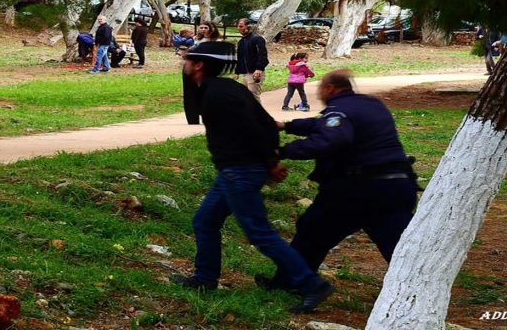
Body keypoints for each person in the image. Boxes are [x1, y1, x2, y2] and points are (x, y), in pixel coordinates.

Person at [176, 41, 334, 313]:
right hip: (233, 171)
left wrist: (271, 161)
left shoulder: (217, 95)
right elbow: (266, 122)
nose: (184, 64)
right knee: (205, 221)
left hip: (242, 171)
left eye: (188, 59)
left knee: (259, 232)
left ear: (199, 65)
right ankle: (205, 279)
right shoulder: (226, 89)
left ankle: (312, 284)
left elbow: (254, 129)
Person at [258, 69, 419, 293]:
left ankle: (289, 282)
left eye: (321, 88)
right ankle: (416, 289)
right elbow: (321, 124)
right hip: (396, 186)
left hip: (356, 189)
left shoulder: (338, 110)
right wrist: (288, 126)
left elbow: (330, 139)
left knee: (312, 231)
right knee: (398, 244)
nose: (320, 93)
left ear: (330, 89)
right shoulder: (371, 104)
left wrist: (282, 152)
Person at [183, 21, 224, 124]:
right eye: (201, 28)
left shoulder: (217, 41)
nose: (203, 30)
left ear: (211, 28)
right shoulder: (195, 40)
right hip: (192, 68)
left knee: (207, 92)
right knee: (190, 93)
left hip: (207, 68)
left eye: (206, 27)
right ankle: (192, 119)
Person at [235, 18, 269, 101]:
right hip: (246, 74)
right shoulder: (241, 42)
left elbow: (263, 55)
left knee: (253, 97)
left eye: (241, 26)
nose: (239, 28)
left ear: (248, 27)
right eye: (238, 26)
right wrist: (237, 72)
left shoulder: (257, 39)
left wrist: (259, 69)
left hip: (255, 72)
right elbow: (240, 57)